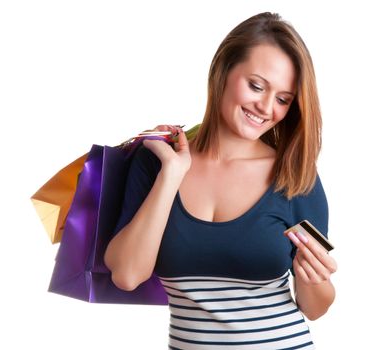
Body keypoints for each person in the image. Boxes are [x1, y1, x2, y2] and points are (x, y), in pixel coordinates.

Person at [104, 12, 337, 349]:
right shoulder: (156, 162)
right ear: (222, 70)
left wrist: (316, 278)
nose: (267, 107)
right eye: (256, 85)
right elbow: (127, 275)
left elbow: (315, 307)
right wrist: (171, 175)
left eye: (283, 99)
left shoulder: (295, 175)